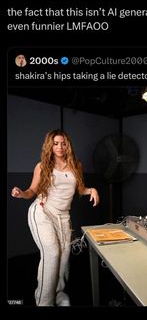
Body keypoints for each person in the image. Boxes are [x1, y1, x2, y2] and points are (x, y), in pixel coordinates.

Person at [11, 129, 100, 306]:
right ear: (50, 146)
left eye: (63, 143)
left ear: (68, 145)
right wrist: (21, 194)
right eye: (55, 143)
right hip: (42, 212)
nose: (59, 147)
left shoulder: (76, 165)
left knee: (64, 255)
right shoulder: (43, 166)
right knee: (52, 253)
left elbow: (79, 189)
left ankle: (58, 293)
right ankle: (44, 301)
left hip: (63, 216)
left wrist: (92, 190)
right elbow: (32, 191)